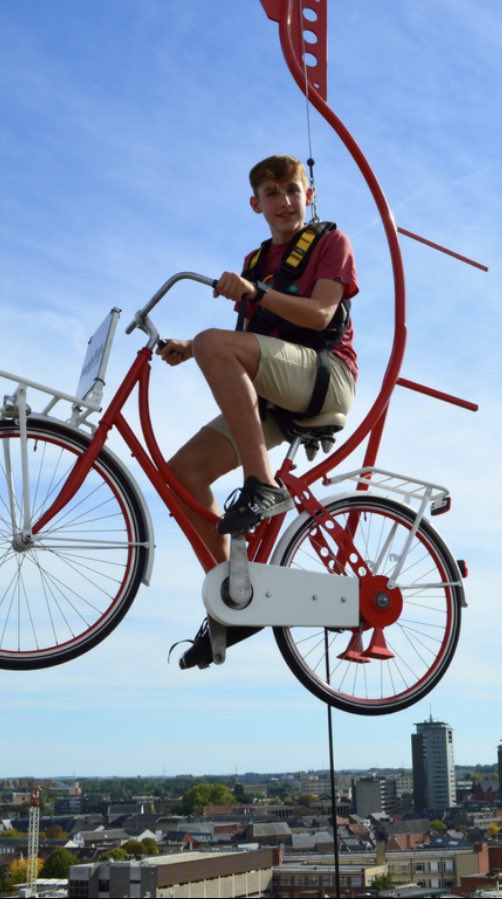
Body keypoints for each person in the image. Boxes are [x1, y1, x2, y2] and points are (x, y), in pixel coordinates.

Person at [158, 153, 359, 669]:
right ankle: (237, 596)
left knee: (214, 341)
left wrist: (254, 296)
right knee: (182, 474)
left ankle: (261, 483)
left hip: (326, 378)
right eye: (272, 194)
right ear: (256, 205)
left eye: (292, 190)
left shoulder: (330, 243)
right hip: (276, 393)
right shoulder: (256, 262)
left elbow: (321, 315)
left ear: (309, 195)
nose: (284, 201)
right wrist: (192, 347)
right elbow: (247, 341)